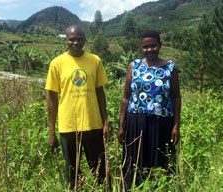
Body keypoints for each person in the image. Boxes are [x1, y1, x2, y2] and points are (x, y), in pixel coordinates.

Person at [45, 24, 109, 189]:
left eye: (79, 39)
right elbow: (51, 98)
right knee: (72, 173)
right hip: (68, 127)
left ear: (84, 40)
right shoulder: (57, 64)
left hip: (92, 124)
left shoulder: (95, 60)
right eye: (72, 39)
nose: (75, 42)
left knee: (101, 172)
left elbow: (100, 92)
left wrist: (105, 122)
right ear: (65, 40)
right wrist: (51, 132)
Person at [118, 30, 181, 189]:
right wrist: (121, 125)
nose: (149, 49)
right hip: (136, 123)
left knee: (161, 162)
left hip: (162, 124)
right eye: (145, 47)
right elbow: (126, 97)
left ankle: (160, 188)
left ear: (160, 46)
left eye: (153, 46)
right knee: (135, 161)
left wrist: (176, 125)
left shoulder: (170, 67)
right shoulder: (134, 66)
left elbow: (176, 97)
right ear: (141, 47)